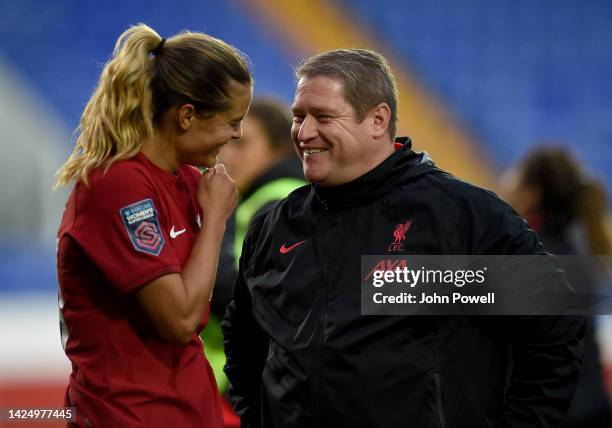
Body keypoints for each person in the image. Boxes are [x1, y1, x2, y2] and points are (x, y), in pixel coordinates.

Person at [222, 48, 585, 427]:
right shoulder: (276, 226)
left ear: (378, 120)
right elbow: (243, 337)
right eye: (299, 117)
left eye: (323, 117)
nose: (304, 132)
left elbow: (554, 322)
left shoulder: (458, 217)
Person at [55, 24, 252, 427]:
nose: (238, 134)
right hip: (130, 414)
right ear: (187, 116)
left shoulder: (186, 181)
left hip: (188, 411)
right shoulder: (118, 185)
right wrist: (214, 219)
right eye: (232, 121)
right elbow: (178, 321)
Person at [201, 98, 306, 426]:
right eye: (225, 146)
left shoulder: (278, 202)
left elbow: (259, 301)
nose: (228, 156)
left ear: (279, 150)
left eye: (242, 144)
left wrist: (214, 226)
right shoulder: (266, 199)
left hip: (248, 388)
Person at [501, 146, 612, 428]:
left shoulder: (528, 257)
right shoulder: (575, 253)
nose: (505, 179)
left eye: (515, 173)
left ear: (531, 192)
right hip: (590, 409)